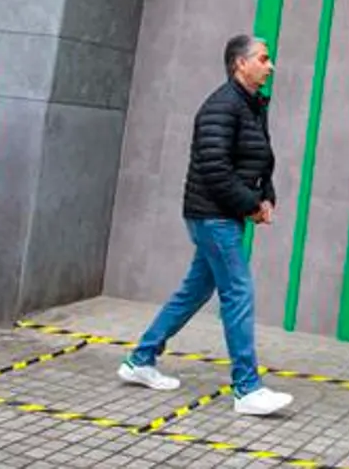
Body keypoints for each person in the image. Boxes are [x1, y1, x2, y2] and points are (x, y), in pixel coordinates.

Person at [117, 35, 292, 417]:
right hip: (212, 215)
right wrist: (250, 206)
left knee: (194, 291)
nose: (270, 65)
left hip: (224, 214)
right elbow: (216, 170)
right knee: (238, 293)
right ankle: (247, 388)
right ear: (239, 64)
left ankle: (140, 360)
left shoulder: (252, 105)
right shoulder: (222, 107)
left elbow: (260, 159)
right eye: (263, 58)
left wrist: (267, 196)